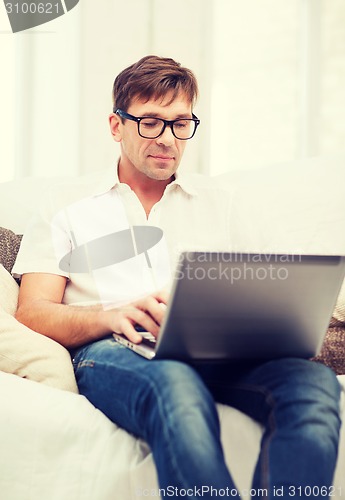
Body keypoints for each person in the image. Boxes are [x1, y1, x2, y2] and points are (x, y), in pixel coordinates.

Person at [13, 55, 341, 499]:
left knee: (315, 387)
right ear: (116, 125)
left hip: (221, 353)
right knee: (177, 388)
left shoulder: (224, 202)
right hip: (113, 350)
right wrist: (112, 315)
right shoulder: (66, 204)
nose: (168, 139)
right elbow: (32, 313)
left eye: (181, 123)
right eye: (151, 122)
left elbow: (274, 291)